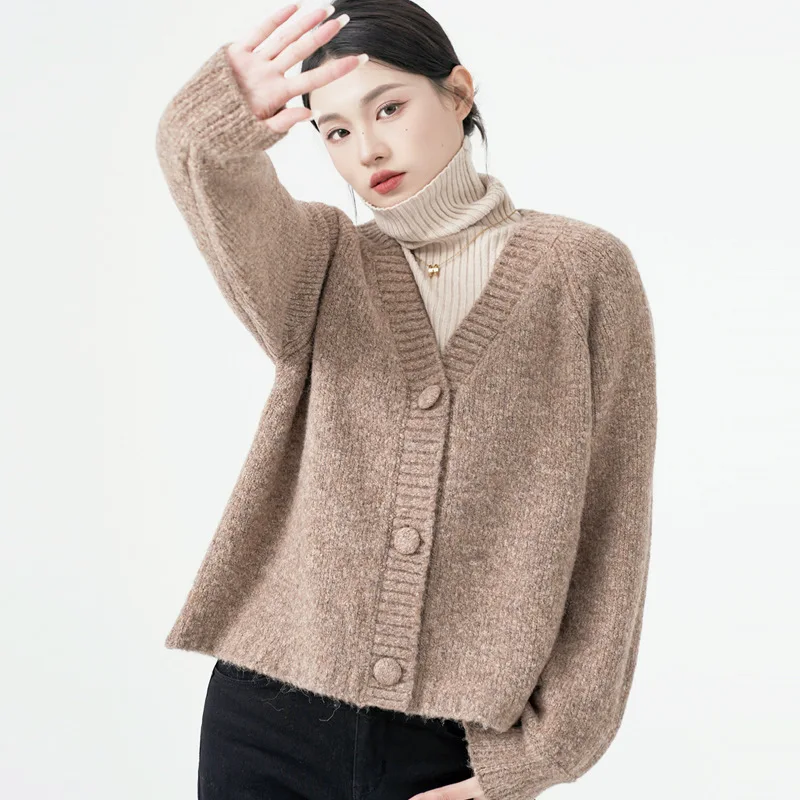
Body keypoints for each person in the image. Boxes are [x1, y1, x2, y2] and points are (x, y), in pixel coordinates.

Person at [155, 1, 658, 799]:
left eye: (388, 108)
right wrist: (216, 114)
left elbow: (612, 527)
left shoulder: (583, 273)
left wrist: (531, 761)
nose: (368, 150)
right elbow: (212, 179)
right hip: (267, 716)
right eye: (335, 131)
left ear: (458, 93)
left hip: (456, 746)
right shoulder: (318, 264)